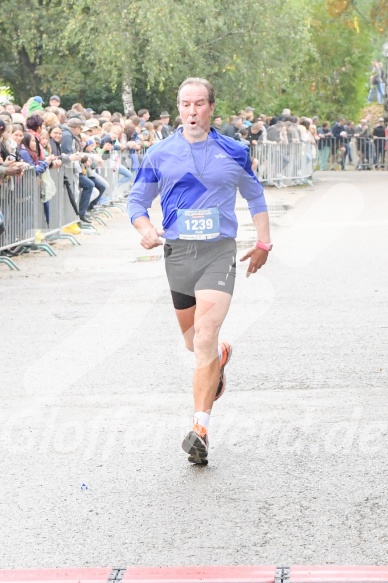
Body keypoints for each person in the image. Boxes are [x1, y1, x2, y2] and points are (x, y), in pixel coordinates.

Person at [128, 77, 271, 465]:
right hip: (177, 254)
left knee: (205, 334)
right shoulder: (159, 153)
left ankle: (200, 428)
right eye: (185, 105)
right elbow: (137, 202)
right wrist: (145, 230)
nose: (191, 112)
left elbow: (255, 196)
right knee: (196, 345)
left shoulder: (234, 150)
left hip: (217, 252)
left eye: (198, 104)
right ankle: (219, 357)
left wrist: (263, 242)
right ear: (178, 109)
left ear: (211, 108)